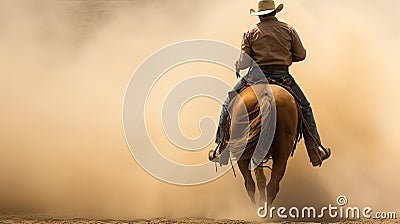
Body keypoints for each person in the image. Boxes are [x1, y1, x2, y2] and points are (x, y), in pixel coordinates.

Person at [215, 0, 331, 167]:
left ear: (260, 15)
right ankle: (315, 150)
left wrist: (238, 65)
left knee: (227, 104)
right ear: (275, 12)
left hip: (256, 76)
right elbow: (301, 54)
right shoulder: (288, 30)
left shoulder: (250, 33)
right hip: (282, 75)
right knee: (305, 108)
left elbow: (244, 62)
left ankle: (221, 147)